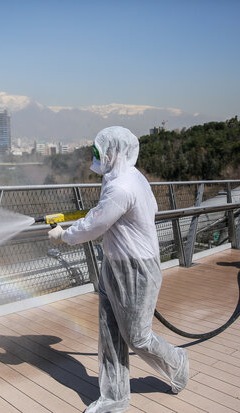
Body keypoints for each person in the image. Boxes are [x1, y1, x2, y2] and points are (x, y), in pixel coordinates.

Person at [48, 126, 189, 412]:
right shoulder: (127, 178)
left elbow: (95, 225)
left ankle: (177, 363)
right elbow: (115, 214)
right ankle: (114, 399)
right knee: (110, 334)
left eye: (100, 152)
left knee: (138, 337)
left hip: (137, 269)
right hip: (114, 264)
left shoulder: (122, 186)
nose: (97, 157)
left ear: (114, 152)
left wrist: (63, 235)